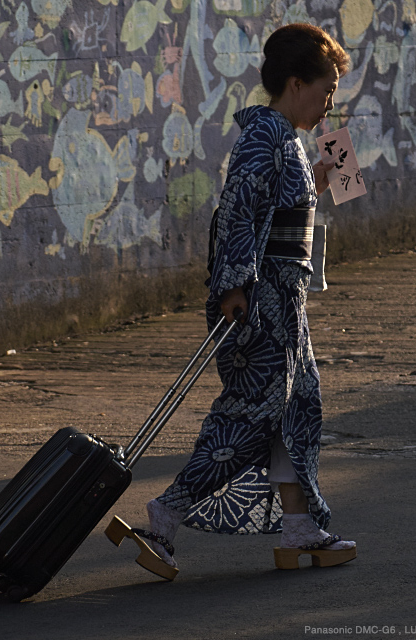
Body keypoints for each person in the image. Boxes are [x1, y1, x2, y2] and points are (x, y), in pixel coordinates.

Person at [105, 23, 355, 579]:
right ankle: (165, 516)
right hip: (262, 306)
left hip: (286, 307)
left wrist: (319, 175)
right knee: (249, 420)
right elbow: (239, 211)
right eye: (326, 89)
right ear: (296, 83)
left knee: (297, 409)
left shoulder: (284, 138)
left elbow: (279, 205)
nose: (330, 103)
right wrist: (234, 287)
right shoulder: (264, 137)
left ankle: (298, 527)